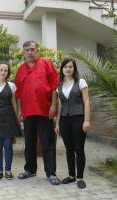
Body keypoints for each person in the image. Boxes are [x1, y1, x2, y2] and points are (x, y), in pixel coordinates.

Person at [14, 40, 60, 185]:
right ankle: (30, 169)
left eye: (32, 49)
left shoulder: (46, 63)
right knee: (29, 143)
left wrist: (53, 105)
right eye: (27, 50)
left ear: (37, 51)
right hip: (28, 112)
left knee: (47, 143)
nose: (30, 52)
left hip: (44, 111)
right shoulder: (21, 69)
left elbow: (54, 86)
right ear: (23, 53)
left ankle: (51, 172)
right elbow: (19, 93)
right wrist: (20, 110)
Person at [55, 58, 90, 189]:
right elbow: (59, 107)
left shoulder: (81, 82)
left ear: (74, 69)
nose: (68, 69)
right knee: (69, 149)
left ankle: (80, 177)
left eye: (70, 67)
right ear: (62, 69)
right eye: (65, 67)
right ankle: (71, 176)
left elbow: (86, 102)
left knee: (79, 149)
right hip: (64, 120)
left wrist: (86, 120)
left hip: (78, 119)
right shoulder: (59, 86)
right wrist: (57, 124)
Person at [0, 62, 20, 181]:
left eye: (5, 70)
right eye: (1, 70)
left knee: (8, 146)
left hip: (9, 118)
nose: (3, 72)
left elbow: (14, 103)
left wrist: (17, 119)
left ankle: (8, 171)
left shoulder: (12, 86)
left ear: (7, 73)